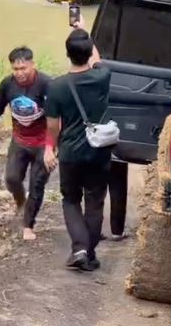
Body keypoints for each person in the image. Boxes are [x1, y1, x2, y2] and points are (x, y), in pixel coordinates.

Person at [44, 17, 111, 271]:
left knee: (71, 199)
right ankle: (89, 254)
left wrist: (50, 147)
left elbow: (52, 125)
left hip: (71, 152)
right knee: (94, 200)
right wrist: (82, 29)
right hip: (99, 151)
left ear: (67, 54)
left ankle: (80, 249)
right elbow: (97, 58)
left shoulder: (57, 86)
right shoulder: (102, 76)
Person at [0, 46, 51, 241]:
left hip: (43, 142)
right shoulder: (8, 85)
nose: (20, 73)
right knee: (12, 179)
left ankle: (28, 225)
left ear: (33, 65)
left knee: (37, 185)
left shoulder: (47, 84)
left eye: (24, 68)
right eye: (16, 69)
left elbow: (57, 118)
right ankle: (20, 202)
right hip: (20, 140)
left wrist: (50, 147)